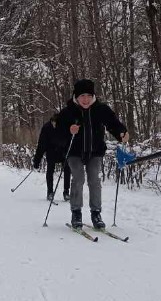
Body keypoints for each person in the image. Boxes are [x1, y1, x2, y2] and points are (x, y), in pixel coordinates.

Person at [53, 78, 128, 229]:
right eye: (82, 96)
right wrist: (68, 131)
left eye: (88, 95)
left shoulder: (101, 109)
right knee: (78, 179)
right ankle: (76, 212)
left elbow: (113, 123)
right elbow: (57, 134)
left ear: (93, 96)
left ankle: (96, 213)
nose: (85, 99)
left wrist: (121, 132)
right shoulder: (68, 112)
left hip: (95, 151)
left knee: (94, 180)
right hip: (74, 152)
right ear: (76, 96)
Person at [33, 117, 71, 202]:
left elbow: (70, 140)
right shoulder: (46, 128)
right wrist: (37, 160)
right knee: (50, 170)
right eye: (53, 123)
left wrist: (69, 151)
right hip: (51, 152)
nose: (55, 125)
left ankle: (66, 192)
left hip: (63, 152)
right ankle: (50, 192)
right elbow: (41, 145)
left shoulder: (65, 126)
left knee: (67, 169)